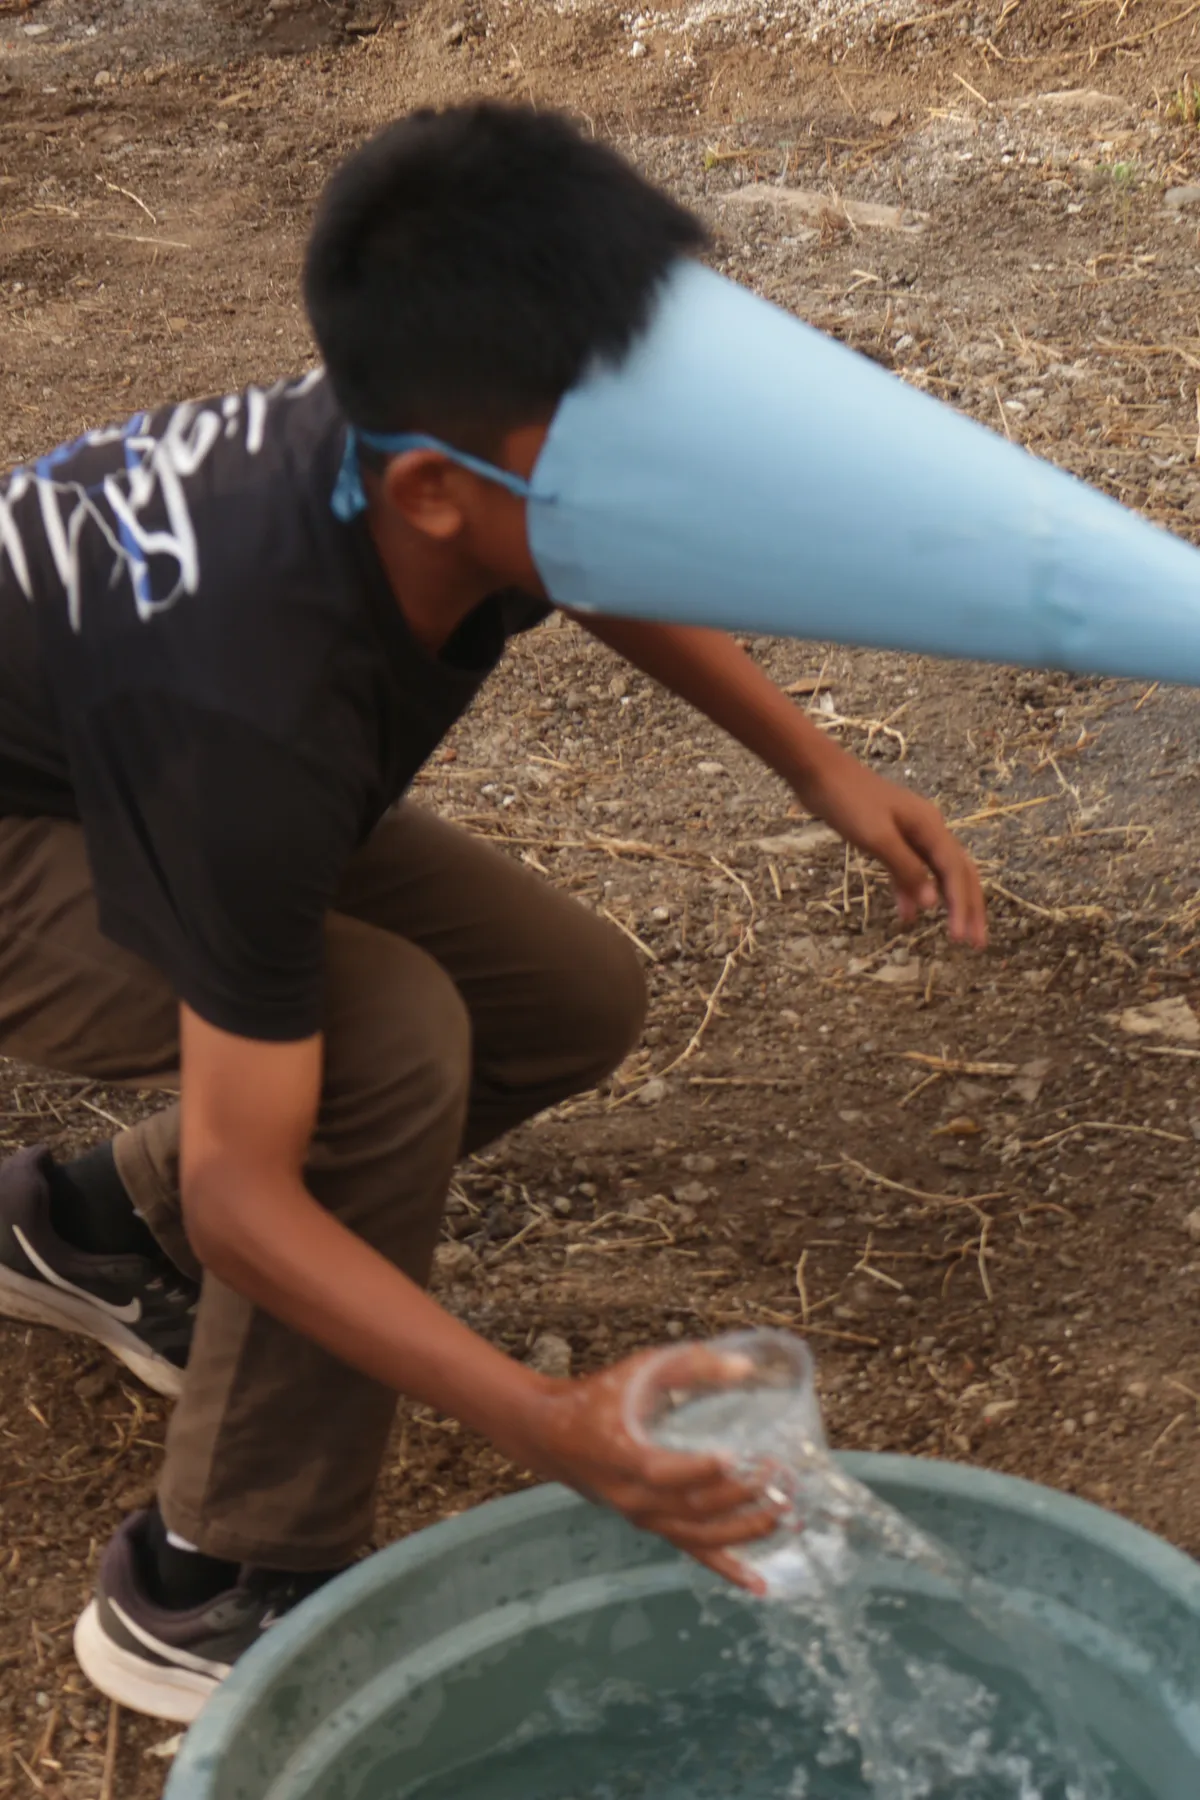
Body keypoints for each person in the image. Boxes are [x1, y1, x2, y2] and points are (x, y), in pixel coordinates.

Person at [0, 102, 986, 1723]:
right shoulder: (262, 708)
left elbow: (584, 552)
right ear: (438, 494)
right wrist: (551, 1422)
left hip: (119, 753)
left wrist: (818, 766)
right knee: (383, 1042)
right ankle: (212, 1577)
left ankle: (98, 1228)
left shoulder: (434, 439)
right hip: (57, 819)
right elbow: (252, 1193)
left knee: (564, 997)